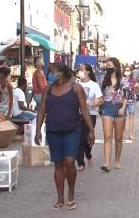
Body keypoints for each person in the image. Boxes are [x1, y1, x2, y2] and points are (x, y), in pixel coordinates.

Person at [35, 63, 95, 210]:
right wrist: (38, 130)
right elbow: (42, 108)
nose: (50, 74)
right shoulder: (48, 89)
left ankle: (71, 193)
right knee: (58, 164)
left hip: (72, 130)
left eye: (52, 72)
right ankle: (60, 198)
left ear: (61, 73)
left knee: (69, 161)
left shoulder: (76, 88)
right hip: (53, 131)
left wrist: (91, 130)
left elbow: (84, 109)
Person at [100, 57, 129, 172]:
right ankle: (107, 163)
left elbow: (126, 95)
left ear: (116, 66)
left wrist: (123, 107)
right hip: (107, 108)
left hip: (119, 109)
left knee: (118, 137)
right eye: (107, 65)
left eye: (110, 65)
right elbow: (100, 95)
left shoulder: (123, 81)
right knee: (107, 137)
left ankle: (117, 160)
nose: (108, 67)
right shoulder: (103, 79)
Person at [76, 64, 103, 171]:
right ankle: (80, 162)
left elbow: (101, 100)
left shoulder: (94, 85)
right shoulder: (76, 84)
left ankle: (88, 154)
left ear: (87, 72)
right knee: (78, 138)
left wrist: (91, 104)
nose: (80, 72)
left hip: (90, 115)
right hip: (77, 115)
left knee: (86, 138)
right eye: (79, 70)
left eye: (82, 70)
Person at [123, 65, 137, 140]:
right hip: (123, 100)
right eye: (125, 70)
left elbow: (136, 90)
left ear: (131, 71)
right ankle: (123, 133)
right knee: (123, 117)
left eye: (128, 70)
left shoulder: (133, 80)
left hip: (131, 100)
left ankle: (131, 134)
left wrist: (136, 87)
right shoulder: (121, 79)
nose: (127, 72)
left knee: (131, 116)